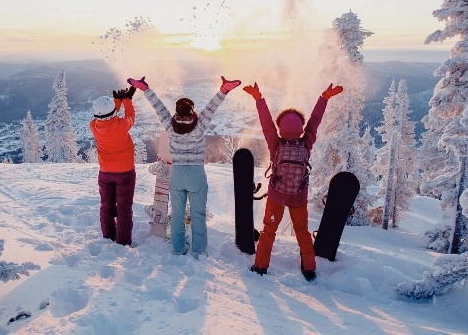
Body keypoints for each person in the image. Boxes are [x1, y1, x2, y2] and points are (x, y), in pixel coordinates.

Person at [128, 75, 241, 258]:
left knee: (178, 213)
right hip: (196, 174)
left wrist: (145, 89)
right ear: (191, 112)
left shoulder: (170, 126)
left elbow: (158, 108)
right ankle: (199, 249)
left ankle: (177, 247)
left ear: (177, 112)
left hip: (177, 173)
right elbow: (212, 107)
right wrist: (224, 90)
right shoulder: (199, 127)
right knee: (198, 214)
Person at [242, 82, 343, 281]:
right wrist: (324, 98)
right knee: (302, 232)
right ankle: (309, 268)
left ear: (280, 128)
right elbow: (315, 120)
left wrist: (258, 98)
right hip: (299, 195)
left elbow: (265, 122)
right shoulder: (306, 143)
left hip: (276, 196)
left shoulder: (276, 143)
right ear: (300, 127)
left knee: (269, 230)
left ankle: (261, 266)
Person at [89, 86, 137, 246]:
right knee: (124, 208)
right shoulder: (122, 125)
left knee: (106, 205)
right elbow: (130, 116)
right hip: (125, 173)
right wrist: (127, 100)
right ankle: (123, 241)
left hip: (105, 173)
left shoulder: (94, 127)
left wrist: (116, 101)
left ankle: (108, 235)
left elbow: (106, 117)